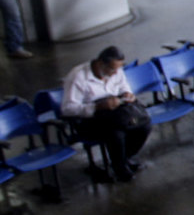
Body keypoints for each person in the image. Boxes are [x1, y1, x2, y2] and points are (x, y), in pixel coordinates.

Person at [60, 46, 149, 180]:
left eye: (118, 69)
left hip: (113, 113)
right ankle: (119, 167)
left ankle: (125, 158)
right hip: (88, 119)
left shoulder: (116, 70)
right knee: (116, 132)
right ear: (100, 64)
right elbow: (67, 109)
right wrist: (96, 107)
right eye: (112, 69)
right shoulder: (78, 77)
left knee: (144, 125)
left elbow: (123, 85)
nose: (115, 73)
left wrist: (127, 93)